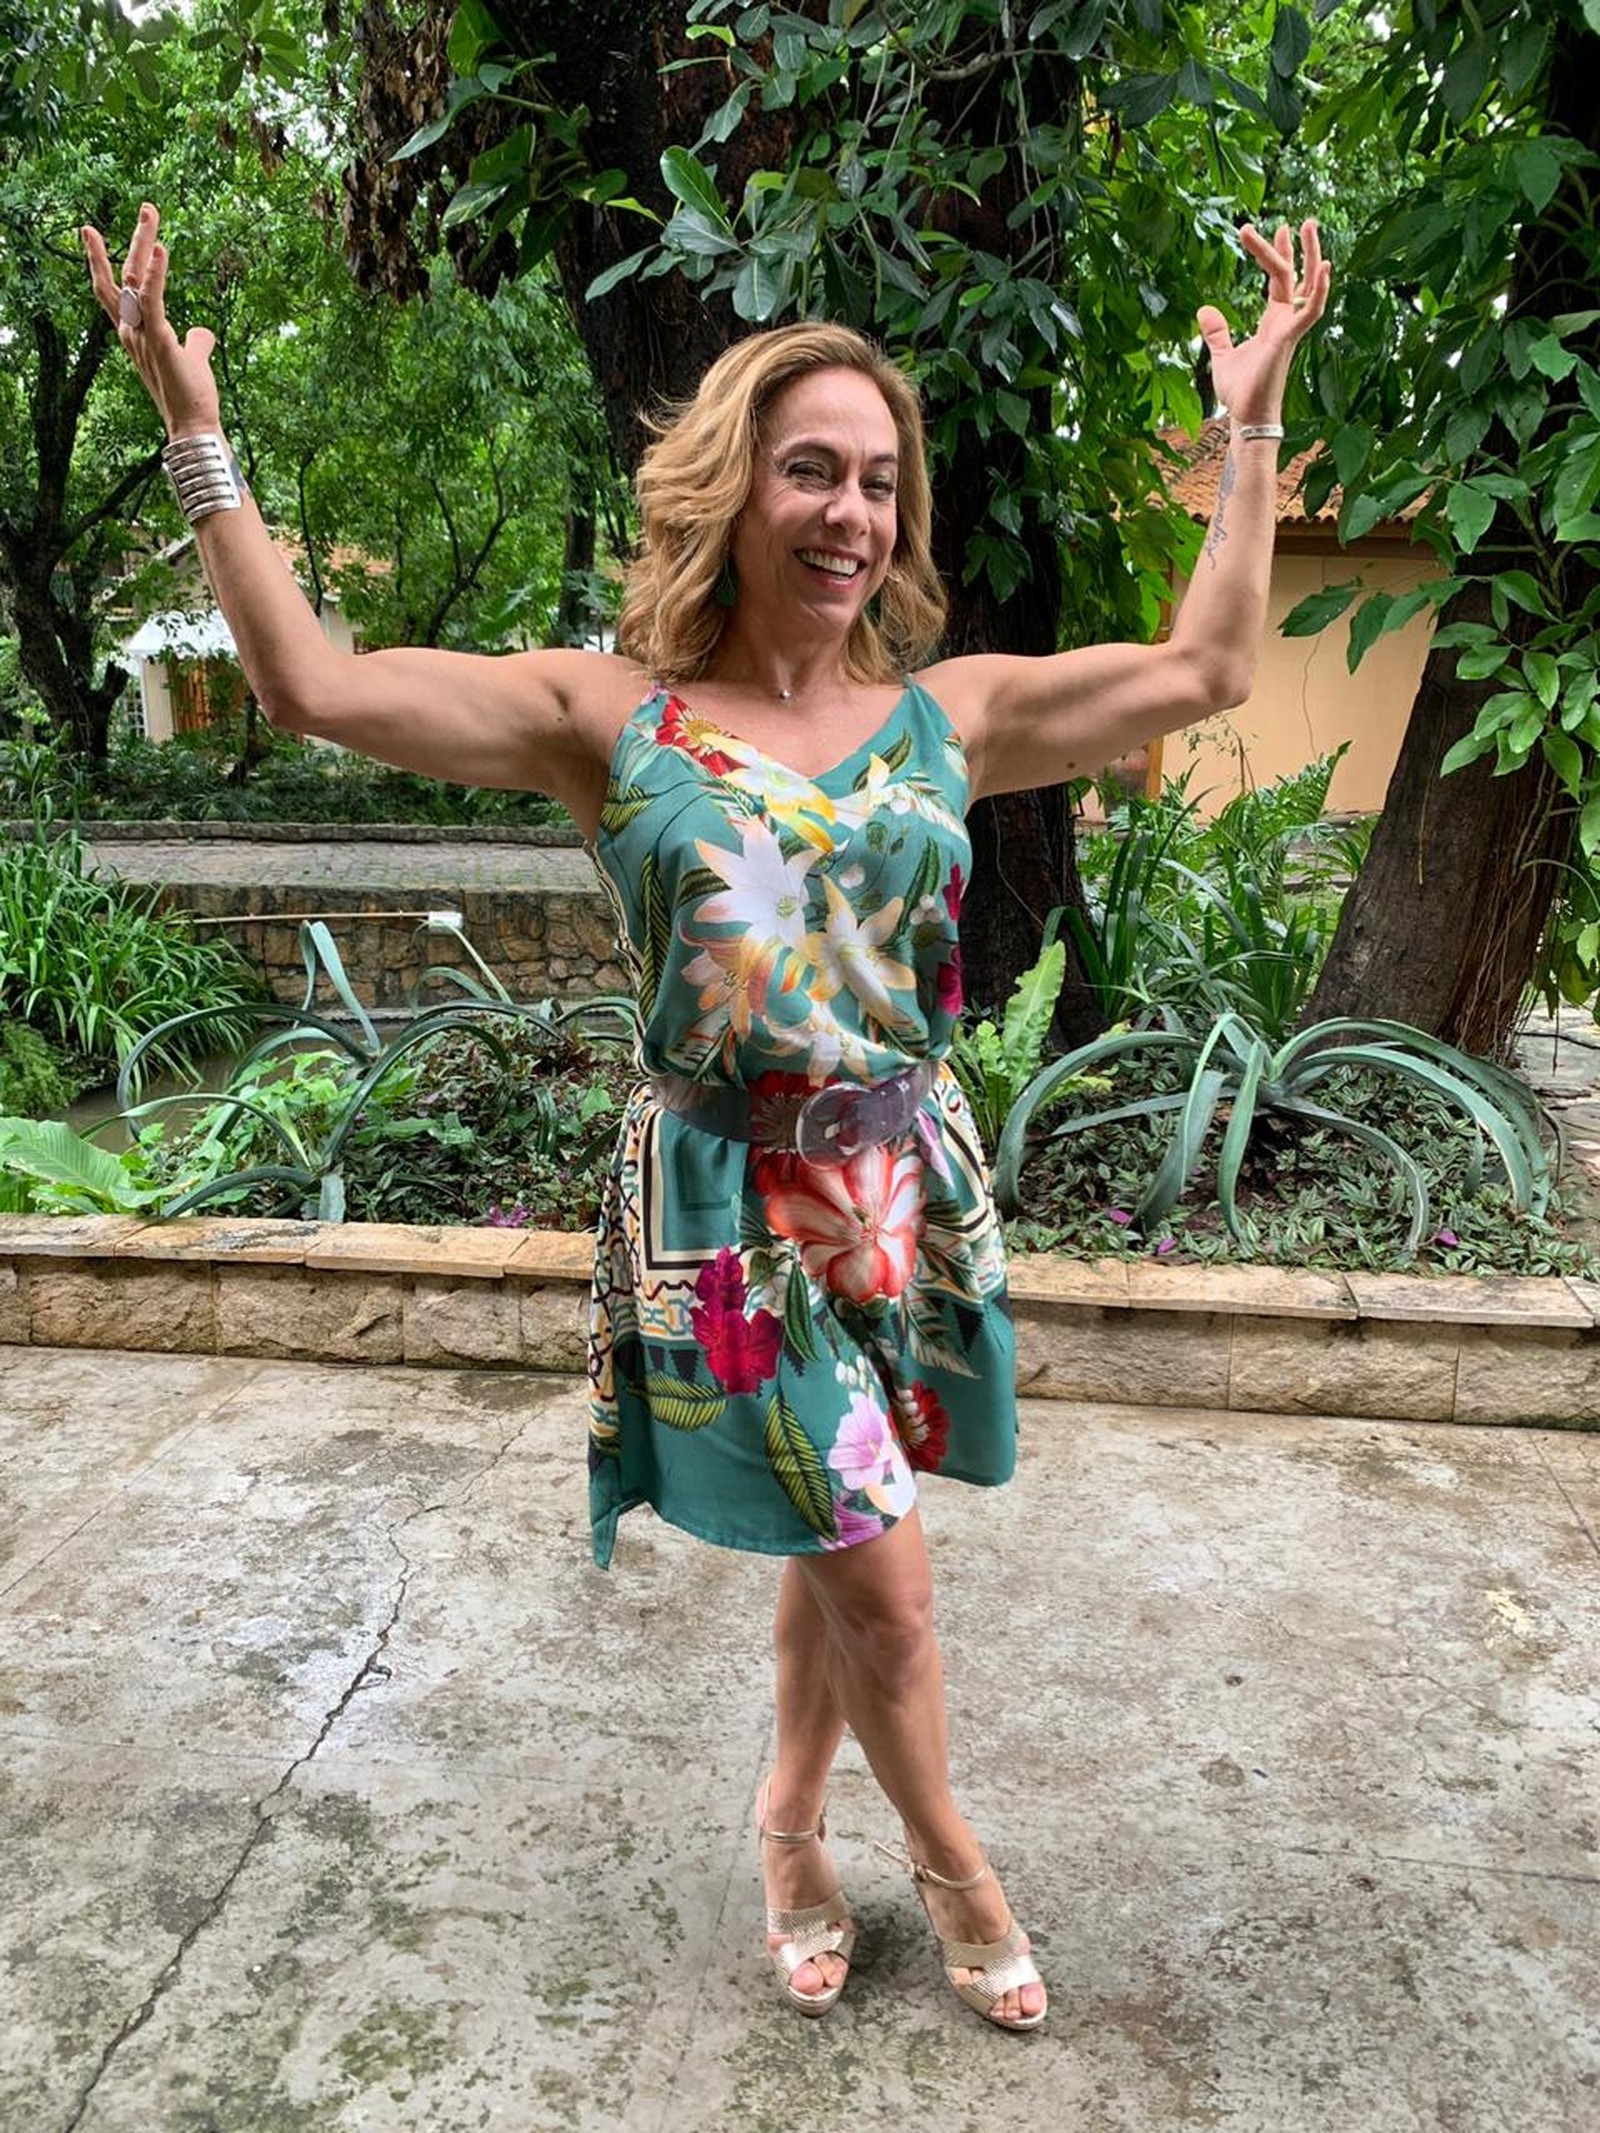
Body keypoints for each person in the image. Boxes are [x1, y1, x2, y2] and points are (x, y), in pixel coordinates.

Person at [84, 205, 1329, 2033]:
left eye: (879, 482)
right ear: (734, 487)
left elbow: (1209, 667)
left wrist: (1248, 427)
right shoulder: (615, 719)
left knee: (849, 1512)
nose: (850, 512)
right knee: (885, 1580)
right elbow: (312, 686)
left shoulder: (950, 716)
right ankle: (957, 1866)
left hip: (904, 1184)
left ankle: (790, 1818)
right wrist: (197, 435)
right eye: (811, 469)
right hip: (728, 1203)